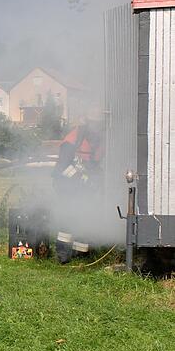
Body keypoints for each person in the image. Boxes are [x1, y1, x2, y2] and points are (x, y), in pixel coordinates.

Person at [52, 111, 104, 263]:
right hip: (66, 183)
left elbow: (96, 164)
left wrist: (96, 179)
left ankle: (80, 253)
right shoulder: (73, 138)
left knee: (85, 215)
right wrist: (82, 178)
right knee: (69, 216)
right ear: (87, 123)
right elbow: (62, 166)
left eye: (99, 124)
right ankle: (63, 255)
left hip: (84, 185)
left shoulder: (99, 141)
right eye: (94, 123)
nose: (97, 127)